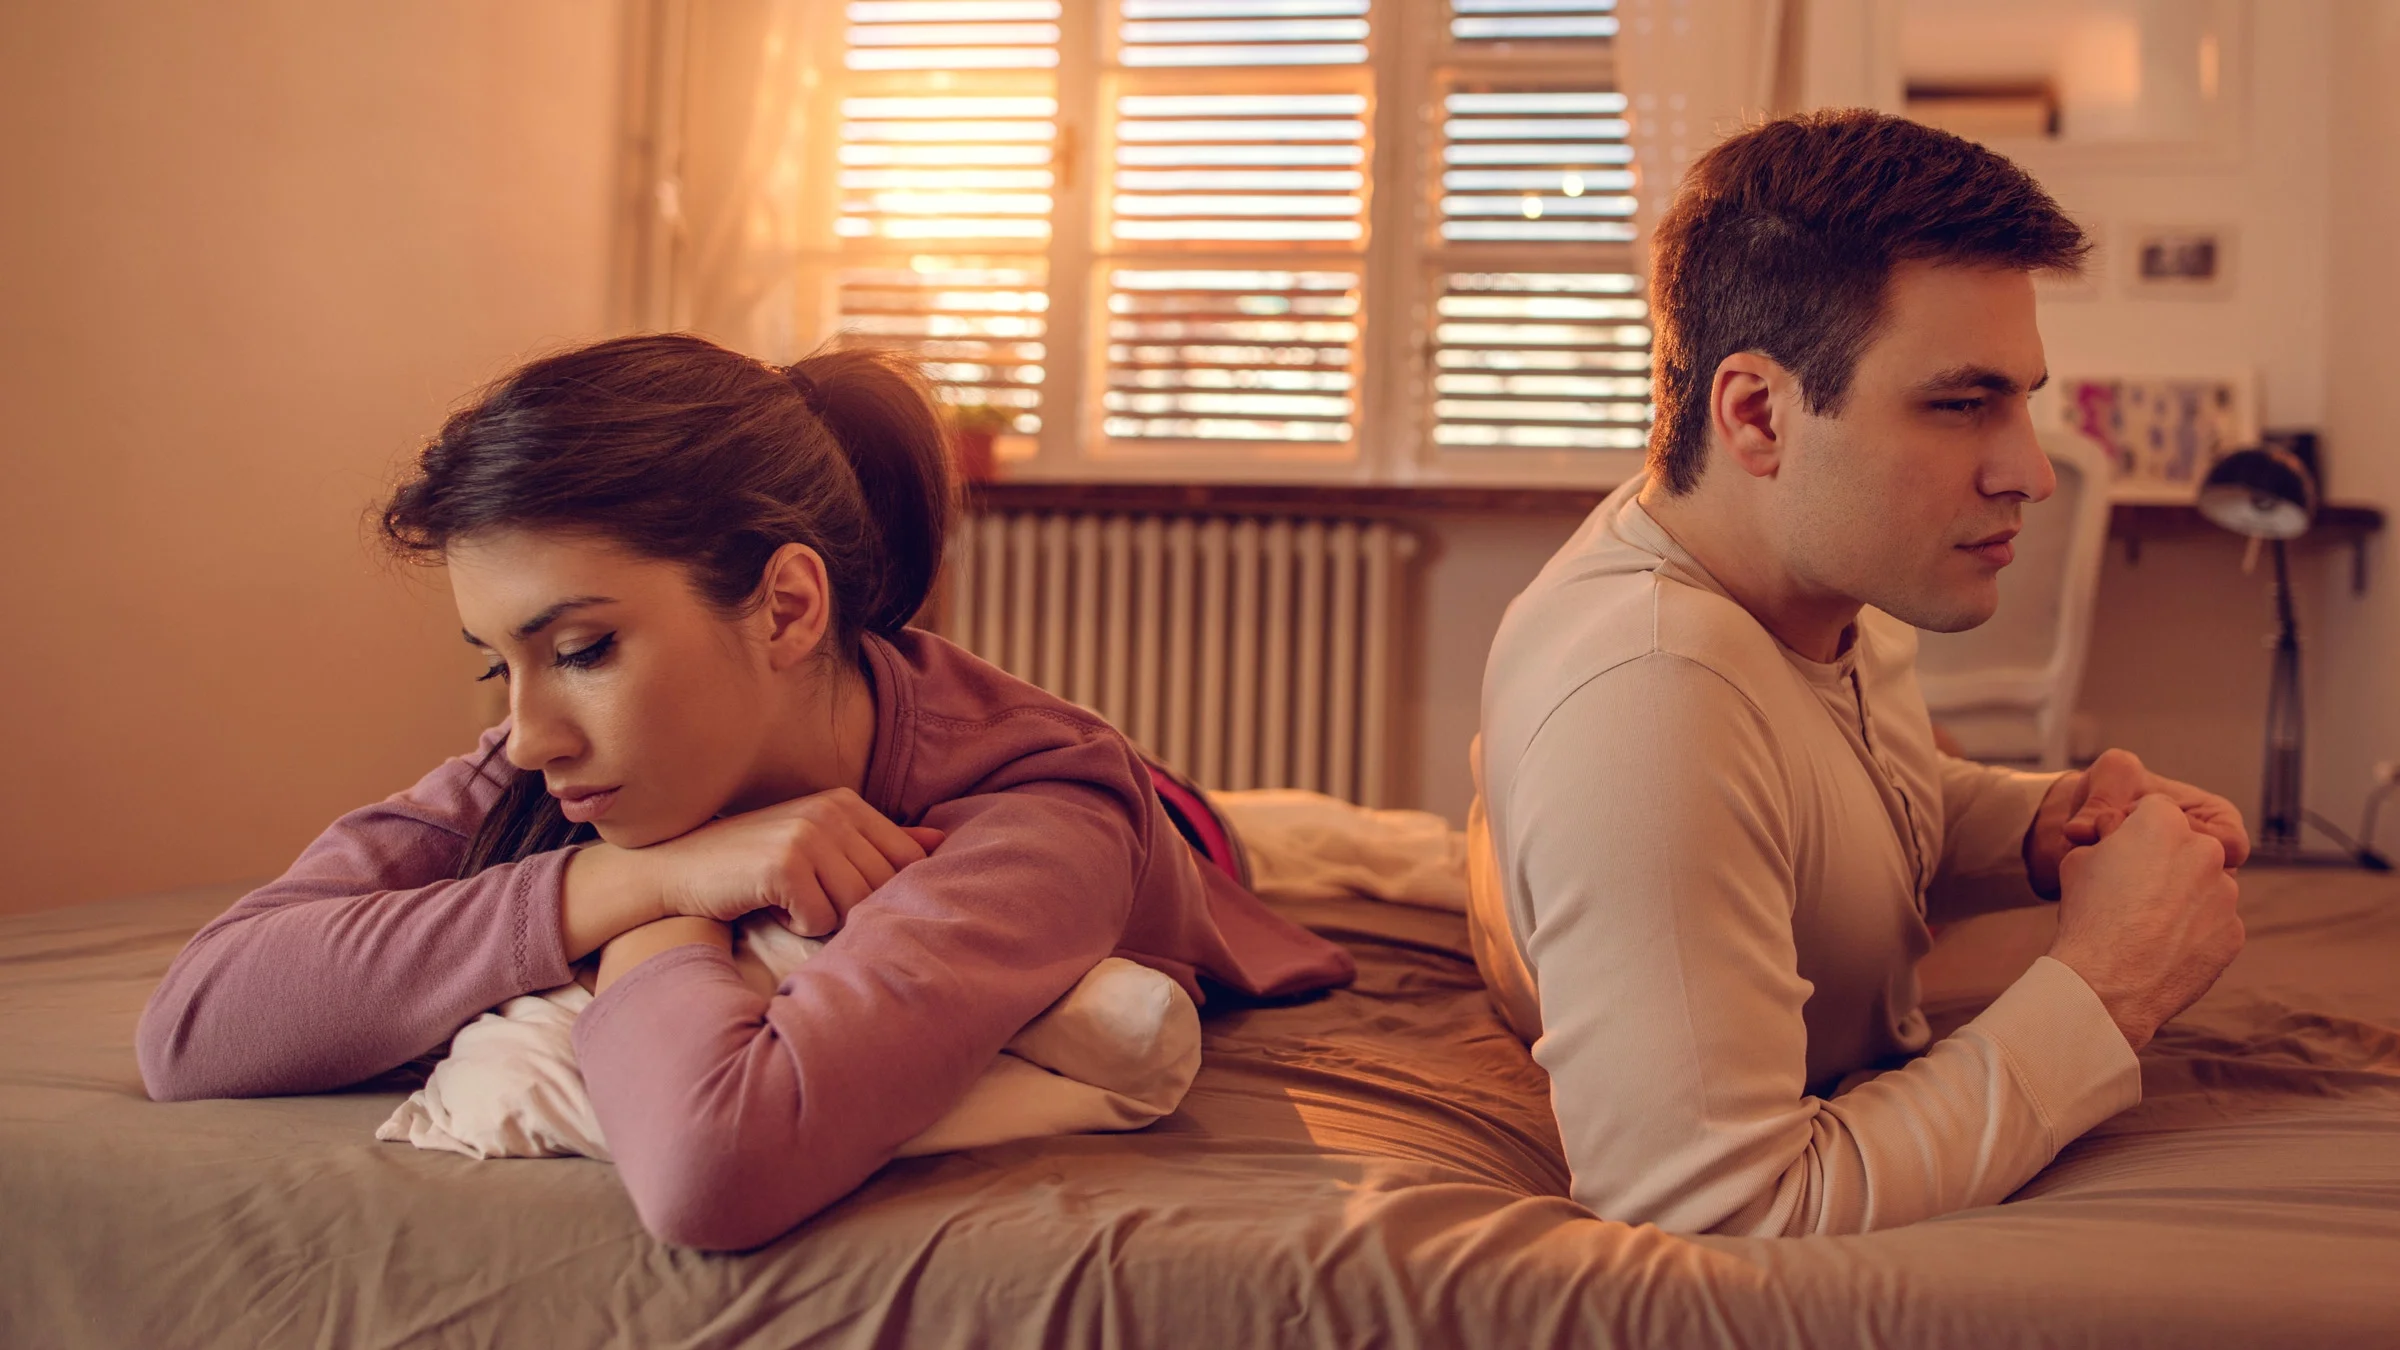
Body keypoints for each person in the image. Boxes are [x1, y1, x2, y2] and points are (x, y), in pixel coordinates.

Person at [137, 334, 1354, 1250]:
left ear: (784, 607)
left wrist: (651, 921)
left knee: (1226, 823)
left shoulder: (1041, 806)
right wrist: (640, 877)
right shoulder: (546, 756)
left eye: (583, 650)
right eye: (496, 663)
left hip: (1168, 835)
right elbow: (193, 1029)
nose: (524, 737)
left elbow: (712, 1169)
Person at [1467, 110, 2250, 1237]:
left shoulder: (1823, 574)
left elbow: (1827, 790)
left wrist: (2038, 826)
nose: (2030, 470)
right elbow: (1717, 1214)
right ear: (1757, 415)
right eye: (1958, 403)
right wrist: (2110, 987)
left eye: (2022, 398)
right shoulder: (1651, 697)